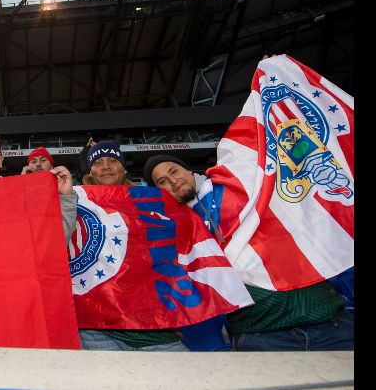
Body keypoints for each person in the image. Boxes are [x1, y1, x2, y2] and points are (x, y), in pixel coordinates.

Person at [143, 154, 354, 351]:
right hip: (261, 336)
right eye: (162, 181)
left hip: (328, 321)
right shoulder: (175, 232)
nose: (173, 181)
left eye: (174, 171)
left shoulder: (242, 187)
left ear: (189, 170)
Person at [75, 141, 188, 351]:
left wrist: (174, 313)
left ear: (124, 169)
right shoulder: (75, 202)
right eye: (98, 162)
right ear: (89, 172)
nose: (106, 166)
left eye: (112, 160)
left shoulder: (152, 202)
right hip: (97, 327)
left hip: (153, 325)